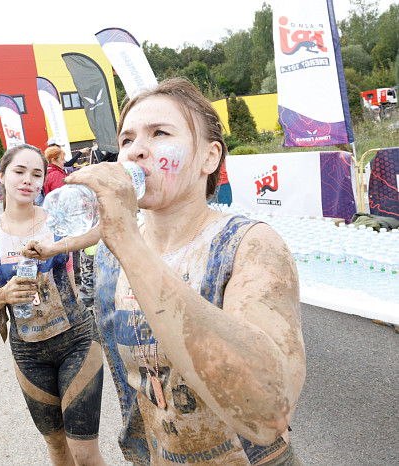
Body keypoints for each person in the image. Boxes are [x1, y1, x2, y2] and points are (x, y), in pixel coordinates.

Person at [24, 78, 306, 465]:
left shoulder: (250, 245)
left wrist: (125, 239)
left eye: (159, 133)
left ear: (209, 158)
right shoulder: (111, 254)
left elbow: (268, 413)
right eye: (126, 140)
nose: (136, 151)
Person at [0, 143, 106, 465]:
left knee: (84, 450)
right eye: (19, 171)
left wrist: (59, 246)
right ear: (1, 175)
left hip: (77, 341)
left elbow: (105, 229)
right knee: (57, 447)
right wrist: (2, 295)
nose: (27, 180)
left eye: (36, 174)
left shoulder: (57, 221)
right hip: (29, 354)